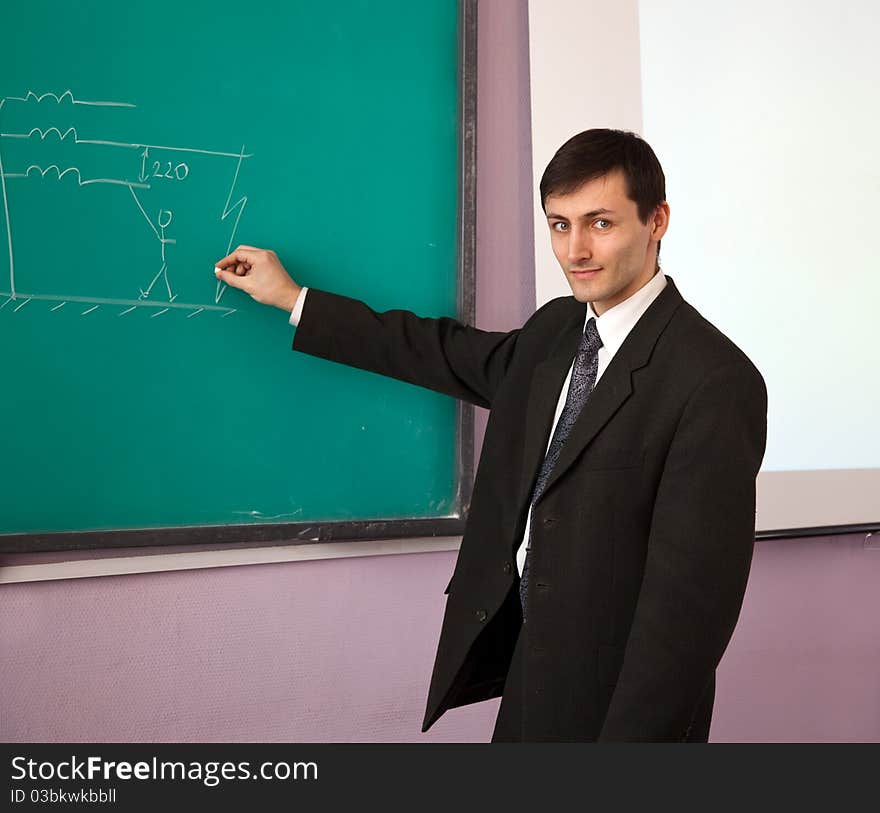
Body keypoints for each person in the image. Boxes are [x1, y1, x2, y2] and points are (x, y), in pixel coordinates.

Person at [213, 128, 768, 742]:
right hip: (531, 672)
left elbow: (689, 619)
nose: (576, 249)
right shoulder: (556, 330)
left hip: (624, 706)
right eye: (560, 225)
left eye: (600, 223)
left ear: (657, 220)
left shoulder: (714, 380)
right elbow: (438, 352)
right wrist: (294, 298)